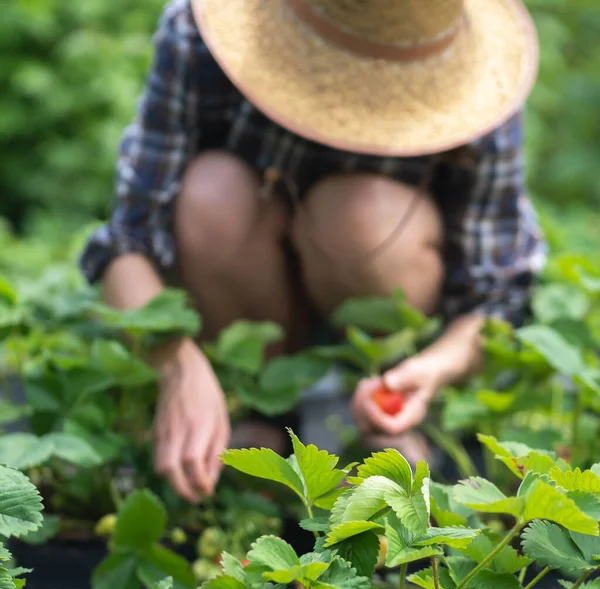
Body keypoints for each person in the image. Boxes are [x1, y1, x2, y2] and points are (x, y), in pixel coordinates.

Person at [80, 0, 547, 504]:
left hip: (384, 294)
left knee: (362, 215)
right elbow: (127, 242)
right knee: (211, 194)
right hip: (244, 294)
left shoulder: (479, 84)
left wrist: (431, 369)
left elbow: (497, 296)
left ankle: (384, 422)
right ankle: (263, 409)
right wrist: (176, 360)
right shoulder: (198, 36)